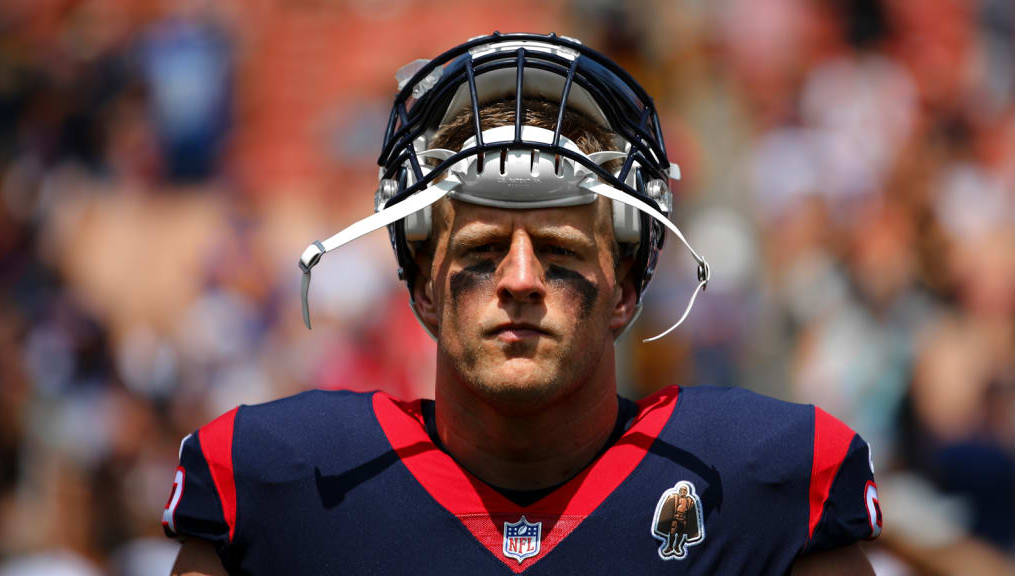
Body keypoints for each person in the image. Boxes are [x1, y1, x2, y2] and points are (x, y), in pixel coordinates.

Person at [164, 33, 881, 575]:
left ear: (627, 288)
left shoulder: (753, 484)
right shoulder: (287, 484)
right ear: (422, 287)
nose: (519, 280)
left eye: (561, 253)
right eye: (479, 253)